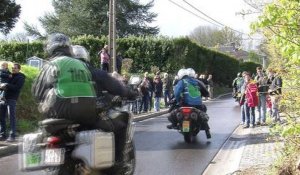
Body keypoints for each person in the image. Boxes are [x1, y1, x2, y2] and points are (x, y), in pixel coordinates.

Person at [32, 34, 137, 174]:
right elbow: (111, 85)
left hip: (55, 117)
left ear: (50, 49)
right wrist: (129, 92)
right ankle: (116, 165)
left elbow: (36, 92)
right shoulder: (83, 66)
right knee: (118, 125)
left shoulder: (50, 65)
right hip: (86, 114)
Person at [167, 68, 211, 138]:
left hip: (186, 103)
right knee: (203, 112)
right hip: (198, 105)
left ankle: (174, 124)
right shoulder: (197, 82)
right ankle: (207, 130)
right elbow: (204, 91)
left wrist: (178, 101)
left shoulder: (182, 82)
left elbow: (177, 93)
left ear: (180, 75)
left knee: (172, 112)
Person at [0, 63, 25, 142]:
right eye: (13, 68)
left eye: (15, 68)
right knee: (1, 117)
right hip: (3, 98)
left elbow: (17, 88)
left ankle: (12, 136)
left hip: (12, 99)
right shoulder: (10, 75)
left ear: (19, 69)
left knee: (11, 118)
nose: (13, 69)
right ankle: (2, 134)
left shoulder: (21, 77)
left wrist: (6, 84)